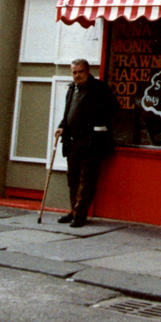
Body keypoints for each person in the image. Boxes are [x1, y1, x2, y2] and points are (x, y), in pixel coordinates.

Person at [54, 59, 117, 228]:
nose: (77, 75)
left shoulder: (98, 88)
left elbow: (112, 108)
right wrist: (62, 126)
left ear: (87, 71)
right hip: (72, 141)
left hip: (90, 142)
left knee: (86, 180)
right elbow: (68, 112)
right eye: (74, 72)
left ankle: (80, 215)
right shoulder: (72, 89)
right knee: (73, 179)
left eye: (80, 72)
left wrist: (96, 125)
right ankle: (74, 211)